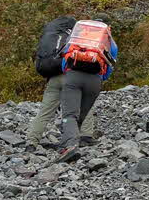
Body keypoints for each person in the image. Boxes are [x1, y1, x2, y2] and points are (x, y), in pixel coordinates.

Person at [27, 15, 95, 146]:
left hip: (53, 79)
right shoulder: (74, 37)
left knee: (45, 112)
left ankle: (31, 141)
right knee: (85, 103)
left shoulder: (49, 37)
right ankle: (85, 136)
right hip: (72, 77)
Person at [57, 18, 117, 162]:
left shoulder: (79, 34)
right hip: (95, 81)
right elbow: (110, 66)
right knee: (81, 115)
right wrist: (101, 79)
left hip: (73, 76)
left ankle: (70, 145)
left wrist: (68, 72)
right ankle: (70, 142)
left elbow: (65, 56)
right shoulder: (109, 41)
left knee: (70, 114)